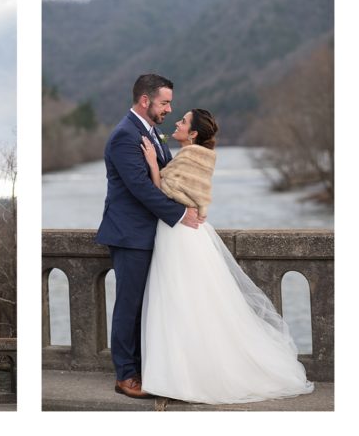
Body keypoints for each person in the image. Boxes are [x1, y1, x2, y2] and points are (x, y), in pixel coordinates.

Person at [138, 108, 314, 404]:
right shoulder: (196, 155)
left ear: (193, 133)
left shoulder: (191, 156)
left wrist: (153, 164)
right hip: (184, 232)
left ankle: (184, 373)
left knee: (180, 299)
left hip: (179, 234)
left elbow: (162, 194)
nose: (177, 123)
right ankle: (183, 370)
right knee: (192, 300)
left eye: (182, 121)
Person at [96, 74, 204, 399]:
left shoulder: (152, 133)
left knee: (147, 305)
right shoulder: (124, 137)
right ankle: (125, 376)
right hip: (129, 235)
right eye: (165, 102)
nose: (170, 108)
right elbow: (140, 189)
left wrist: (191, 202)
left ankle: (147, 370)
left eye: (170, 102)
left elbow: (163, 178)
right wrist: (181, 215)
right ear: (146, 101)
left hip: (149, 234)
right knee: (129, 306)